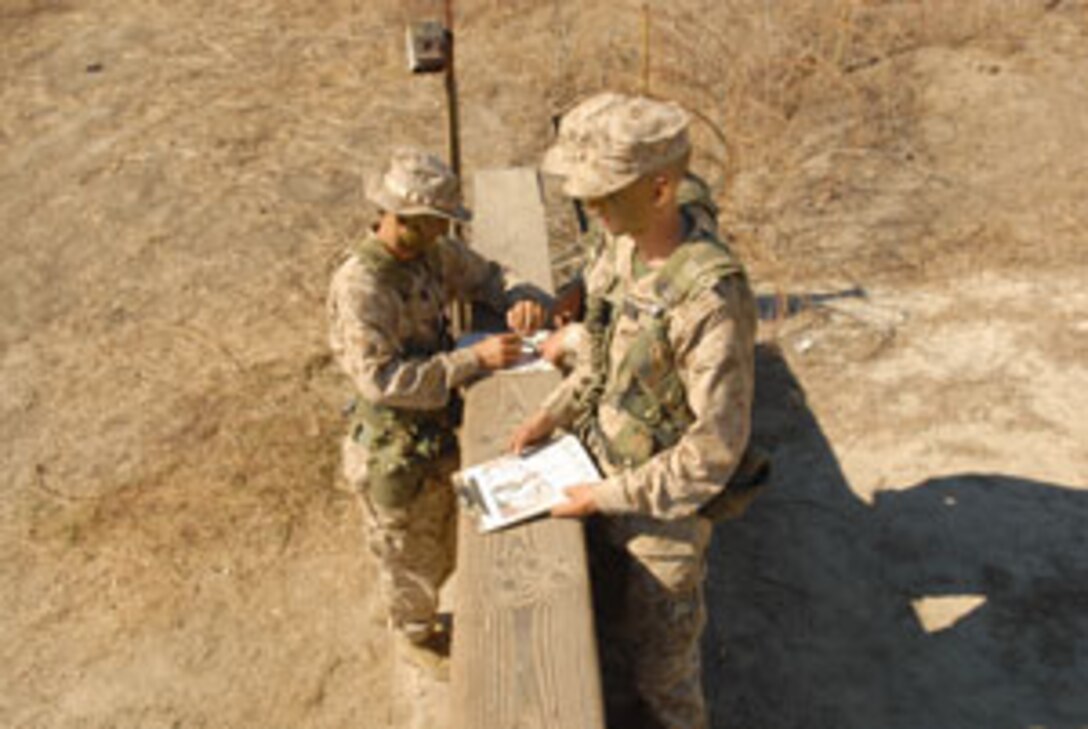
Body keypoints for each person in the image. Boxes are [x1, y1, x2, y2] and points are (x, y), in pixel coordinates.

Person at [510, 95, 758, 729]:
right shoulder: (621, 247)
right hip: (602, 466)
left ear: (659, 189)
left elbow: (714, 452)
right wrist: (555, 413)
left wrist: (607, 496)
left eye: (603, 194)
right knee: (610, 641)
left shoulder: (709, 300)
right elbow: (604, 345)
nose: (589, 208)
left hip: (660, 519)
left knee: (664, 676)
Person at [328, 147, 549, 672]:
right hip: (395, 451)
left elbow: (487, 274)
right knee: (410, 564)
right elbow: (382, 380)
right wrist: (471, 360)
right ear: (384, 214)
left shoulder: (432, 253)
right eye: (413, 225)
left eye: (434, 225)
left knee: (450, 542)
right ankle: (417, 640)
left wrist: (517, 295)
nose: (425, 236)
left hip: (440, 432)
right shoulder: (362, 286)